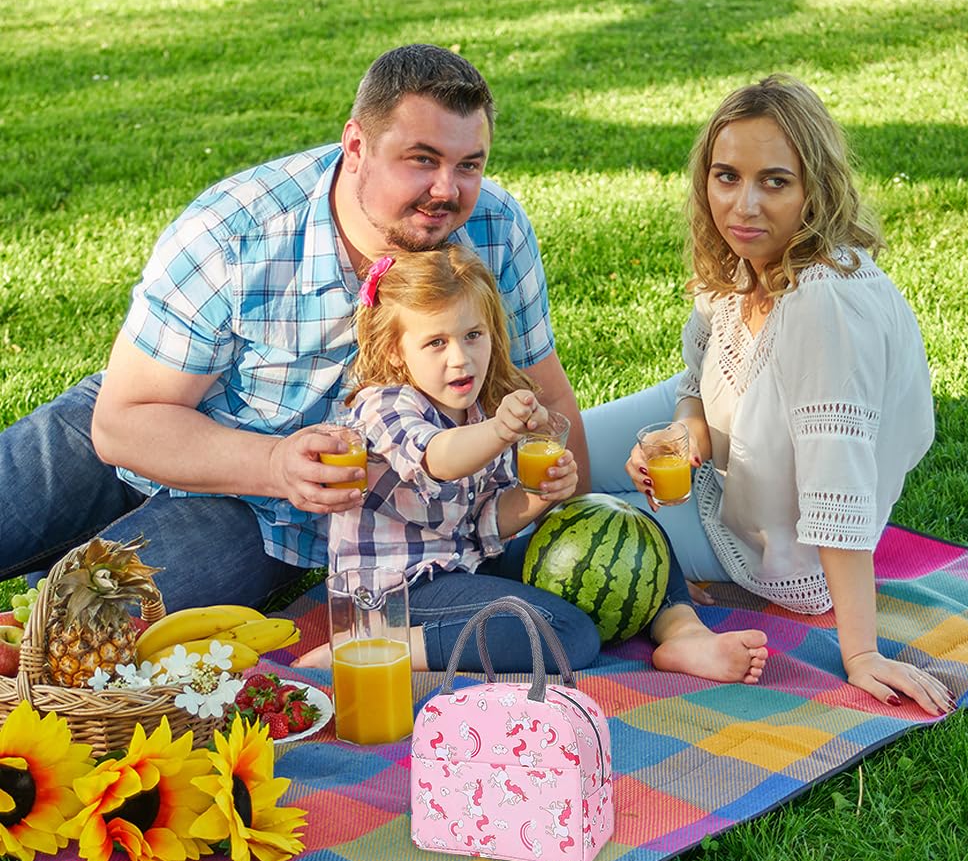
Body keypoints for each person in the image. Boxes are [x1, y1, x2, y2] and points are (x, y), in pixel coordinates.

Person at [0, 44, 587, 612]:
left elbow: (545, 392)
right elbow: (122, 423)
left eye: (469, 165)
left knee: (80, 626)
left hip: (258, 512)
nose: (446, 190)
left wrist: (580, 527)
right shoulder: (233, 233)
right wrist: (277, 460)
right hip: (154, 418)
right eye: (422, 159)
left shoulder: (495, 231)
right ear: (356, 146)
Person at [582, 74, 952, 716]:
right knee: (554, 443)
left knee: (567, 515)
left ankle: (679, 632)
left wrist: (860, 652)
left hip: (768, 535)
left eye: (774, 182)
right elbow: (697, 376)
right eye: (726, 176)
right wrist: (686, 426)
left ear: (816, 188)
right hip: (726, 458)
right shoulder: (744, 260)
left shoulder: (822, 305)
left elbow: (838, 486)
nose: (743, 206)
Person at [296, 244, 600, 672]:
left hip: (464, 564)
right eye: (436, 342)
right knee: (566, 633)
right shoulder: (383, 406)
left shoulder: (477, 411)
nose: (460, 358)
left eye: (473, 335)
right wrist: (499, 432)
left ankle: (678, 628)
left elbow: (485, 522)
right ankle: (377, 647)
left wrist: (540, 495)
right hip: (400, 591)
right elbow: (437, 457)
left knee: (605, 530)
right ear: (394, 352)